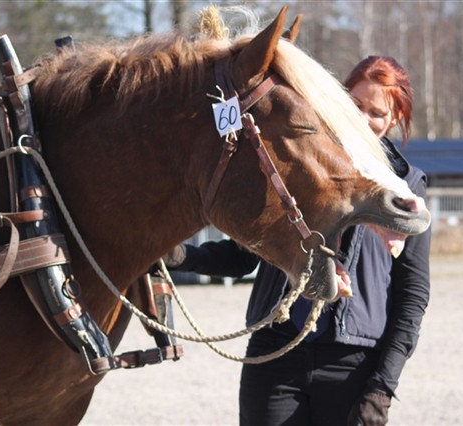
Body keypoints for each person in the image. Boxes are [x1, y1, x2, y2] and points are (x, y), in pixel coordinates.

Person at [165, 55, 431, 426]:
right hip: (275, 351)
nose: (363, 119)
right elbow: (243, 256)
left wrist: (381, 388)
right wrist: (178, 257)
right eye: (355, 105)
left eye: (377, 112)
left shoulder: (407, 192)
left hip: (353, 364)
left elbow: (412, 297)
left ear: (395, 120)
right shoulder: (297, 170)